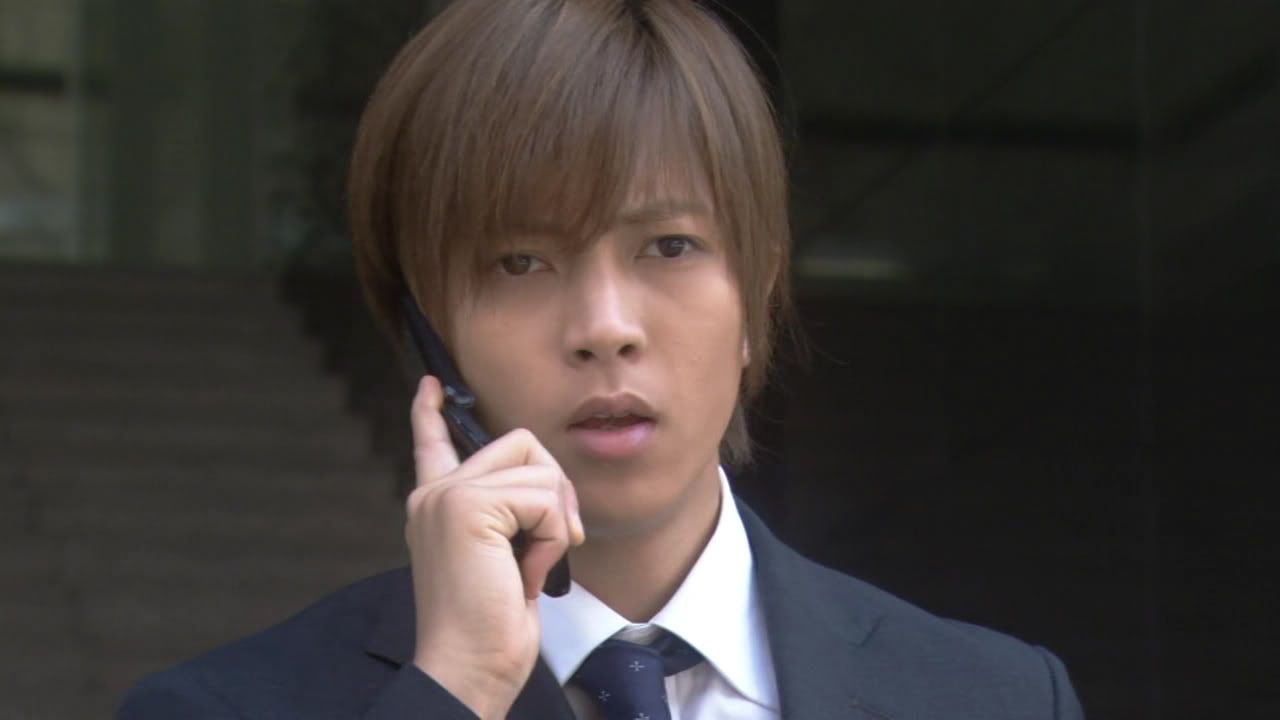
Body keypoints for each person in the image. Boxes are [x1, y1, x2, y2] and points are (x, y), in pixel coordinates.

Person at [118, 1, 1084, 718]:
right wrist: (456, 688)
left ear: (757, 294)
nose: (605, 327)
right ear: (427, 332)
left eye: (668, 246)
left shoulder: (994, 698)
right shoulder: (222, 708)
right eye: (520, 262)